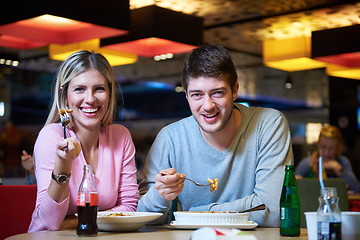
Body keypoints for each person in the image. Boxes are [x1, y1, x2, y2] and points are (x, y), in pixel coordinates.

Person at [137, 44, 294, 227]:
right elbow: (142, 217)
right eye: (197, 95)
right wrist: (160, 195)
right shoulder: (170, 138)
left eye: (217, 93)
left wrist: (193, 214)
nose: (208, 105)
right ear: (186, 96)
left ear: (234, 90)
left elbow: (273, 211)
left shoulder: (269, 124)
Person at [28, 50, 139, 232]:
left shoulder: (121, 136)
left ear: (109, 93)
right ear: (64, 95)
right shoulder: (51, 136)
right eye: (80, 89)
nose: (90, 99)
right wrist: (63, 165)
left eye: (99, 89)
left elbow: (129, 208)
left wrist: (72, 221)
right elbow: (51, 222)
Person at [295, 124, 360, 192]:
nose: (327, 152)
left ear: (337, 147)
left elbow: (357, 188)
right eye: (323, 147)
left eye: (331, 148)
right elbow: (292, 188)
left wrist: (340, 171)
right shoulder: (307, 163)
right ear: (318, 145)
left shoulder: (343, 162)